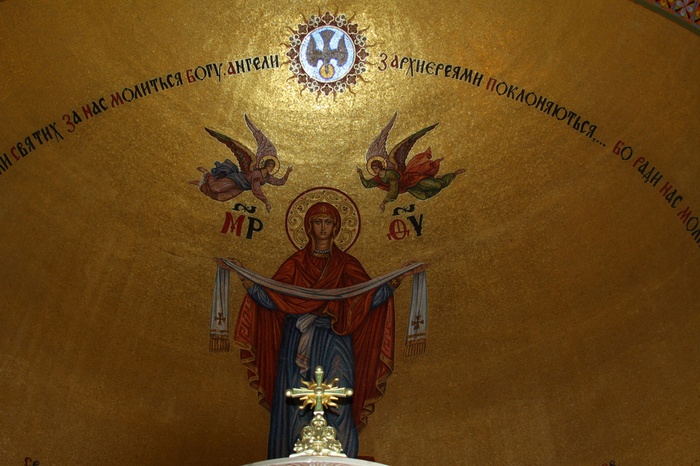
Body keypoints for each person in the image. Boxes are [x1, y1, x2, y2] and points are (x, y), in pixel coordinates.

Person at [220, 202, 425, 458]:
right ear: (308, 227)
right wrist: (244, 277)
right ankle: (293, 458)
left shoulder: (346, 264)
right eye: (318, 222)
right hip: (297, 340)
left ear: (337, 227)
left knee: (340, 399)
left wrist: (397, 279)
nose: (323, 228)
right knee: (296, 404)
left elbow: (367, 299)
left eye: (328, 222)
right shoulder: (295, 264)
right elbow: (273, 298)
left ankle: (342, 458)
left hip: (335, 339)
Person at [357, 157, 465, 212]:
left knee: (438, 185)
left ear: (381, 167)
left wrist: (384, 202)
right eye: (373, 169)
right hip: (409, 187)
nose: (374, 170)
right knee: (423, 196)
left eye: (375, 168)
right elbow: (368, 185)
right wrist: (361, 175)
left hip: (415, 180)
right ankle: (437, 179)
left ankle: (453, 174)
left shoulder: (390, 174)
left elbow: (394, 189)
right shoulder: (377, 178)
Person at [192, 157, 292, 212]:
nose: (271, 168)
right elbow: (256, 189)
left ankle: (202, 186)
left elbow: (280, 182)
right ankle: (207, 173)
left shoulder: (267, 177)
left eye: (272, 167)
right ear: (265, 165)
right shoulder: (257, 174)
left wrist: (287, 173)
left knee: (220, 197)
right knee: (215, 188)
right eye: (270, 166)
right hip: (236, 179)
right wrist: (266, 202)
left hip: (241, 187)